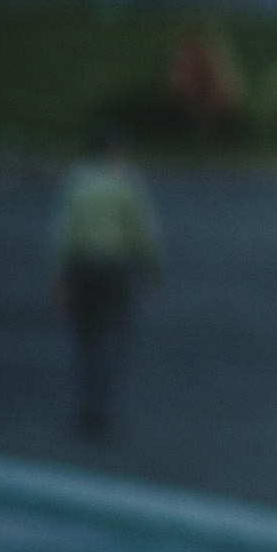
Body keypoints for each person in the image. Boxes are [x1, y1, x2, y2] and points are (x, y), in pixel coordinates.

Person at [48, 129, 163, 440]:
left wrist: (58, 276)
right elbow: (142, 229)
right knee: (113, 337)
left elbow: (62, 231)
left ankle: (85, 401)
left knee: (84, 338)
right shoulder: (126, 181)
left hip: (81, 265)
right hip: (115, 267)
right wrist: (150, 269)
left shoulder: (76, 180)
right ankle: (103, 404)